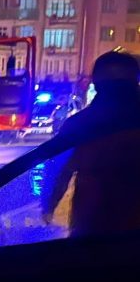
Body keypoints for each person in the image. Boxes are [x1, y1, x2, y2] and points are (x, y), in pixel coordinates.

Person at [44, 51, 140, 237]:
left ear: (96, 84)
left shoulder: (81, 124)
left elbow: (60, 173)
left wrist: (48, 209)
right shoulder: (80, 124)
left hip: (92, 236)